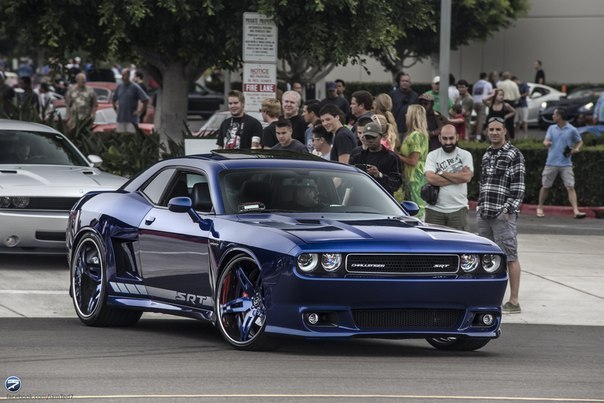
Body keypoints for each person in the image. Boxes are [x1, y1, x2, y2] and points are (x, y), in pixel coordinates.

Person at [477, 116, 525, 314]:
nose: (494, 133)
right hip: (484, 213)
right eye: (491, 129)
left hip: (502, 215)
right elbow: (483, 183)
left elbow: (519, 187)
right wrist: (479, 206)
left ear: (505, 131)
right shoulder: (487, 154)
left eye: (498, 129)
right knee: (485, 258)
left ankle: (513, 302)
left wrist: (508, 209)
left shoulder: (514, 154)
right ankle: (488, 298)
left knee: (509, 256)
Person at [536, 108, 586, 219]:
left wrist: (576, 149)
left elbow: (580, 141)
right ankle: (540, 207)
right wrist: (546, 143)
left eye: (554, 114)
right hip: (551, 162)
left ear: (559, 116)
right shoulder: (551, 128)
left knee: (570, 187)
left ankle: (576, 211)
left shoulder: (572, 129)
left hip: (566, 163)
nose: (552, 116)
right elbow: (545, 140)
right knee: (545, 186)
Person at [424, 124, 474, 231]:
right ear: (439, 138)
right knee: (434, 247)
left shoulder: (465, 155)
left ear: (457, 137)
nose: (448, 142)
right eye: (444, 138)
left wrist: (441, 173)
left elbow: (466, 178)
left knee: (459, 246)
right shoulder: (432, 155)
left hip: (458, 210)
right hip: (434, 211)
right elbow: (430, 179)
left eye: (451, 138)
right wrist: (457, 176)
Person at [395, 104, 429, 218]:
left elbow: (413, 161)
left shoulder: (416, 136)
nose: (405, 115)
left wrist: (396, 155)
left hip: (415, 178)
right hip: (414, 176)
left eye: (407, 113)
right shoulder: (419, 134)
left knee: (416, 210)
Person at [349, 122, 402, 195]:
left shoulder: (392, 158)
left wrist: (379, 175)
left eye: (373, 137)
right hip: (361, 198)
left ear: (380, 136)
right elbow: (349, 182)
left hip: (382, 199)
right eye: (367, 137)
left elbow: (396, 184)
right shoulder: (357, 157)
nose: (370, 140)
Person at [111, 68, 149, 133]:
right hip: (120, 119)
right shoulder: (119, 86)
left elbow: (145, 100)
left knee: (131, 138)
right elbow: (114, 99)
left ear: (128, 75)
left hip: (131, 120)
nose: (122, 77)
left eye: (124, 75)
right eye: (122, 75)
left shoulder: (135, 87)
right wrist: (115, 107)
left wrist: (140, 111)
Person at [389, 72, 418, 136]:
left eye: (407, 81)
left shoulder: (414, 95)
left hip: (410, 129)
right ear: (399, 82)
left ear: (410, 83)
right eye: (403, 81)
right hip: (396, 128)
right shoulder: (393, 94)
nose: (404, 82)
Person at [496, 72, 520, 139]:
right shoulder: (514, 84)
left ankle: (502, 137)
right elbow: (518, 96)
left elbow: (497, 94)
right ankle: (512, 137)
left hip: (503, 102)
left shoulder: (500, 84)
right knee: (511, 122)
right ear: (509, 77)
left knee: (501, 120)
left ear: (503, 77)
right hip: (511, 102)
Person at [472, 72, 493, 140]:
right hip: (482, 103)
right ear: (486, 77)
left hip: (475, 103)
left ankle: (475, 133)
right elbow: (490, 94)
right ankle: (478, 136)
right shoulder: (487, 84)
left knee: (477, 119)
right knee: (481, 120)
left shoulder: (475, 84)